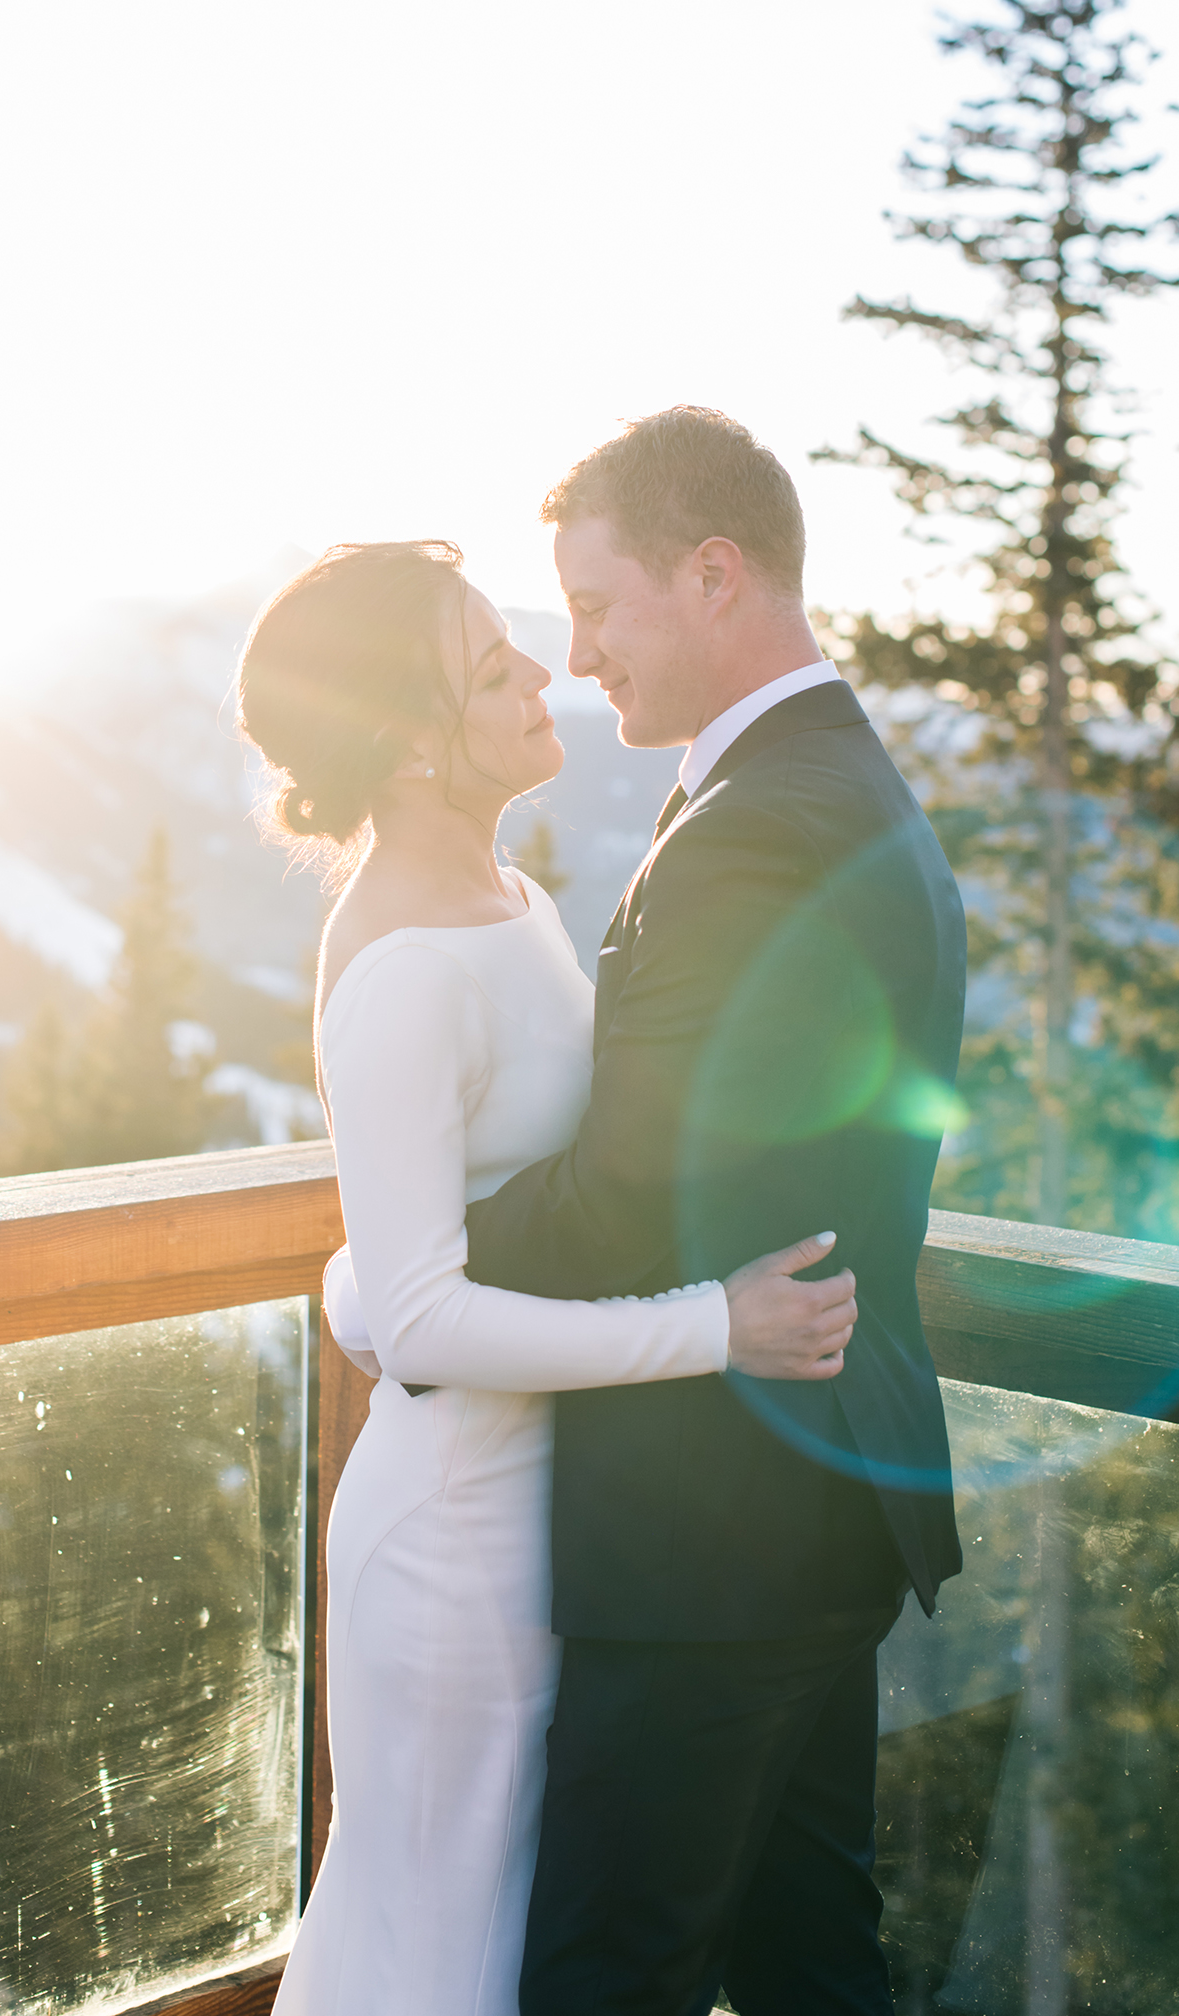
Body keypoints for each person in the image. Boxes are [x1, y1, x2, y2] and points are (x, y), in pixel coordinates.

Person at [236, 536, 859, 2016]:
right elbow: (432, 1320)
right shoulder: (397, 967)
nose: (542, 672)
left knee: (513, 1941)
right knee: (440, 1948)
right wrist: (719, 1326)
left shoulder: (501, 897)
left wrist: (361, 1286)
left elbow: (429, 1250)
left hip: (546, 1509)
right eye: (489, 664)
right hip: (452, 1540)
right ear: (400, 743)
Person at [458, 407, 968, 2014]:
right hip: (808, 1503)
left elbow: (631, 1190)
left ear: (715, 572)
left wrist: (413, 1268)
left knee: (611, 1978)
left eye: (599, 606)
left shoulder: (757, 824)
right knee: (812, 1966)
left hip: (715, 1534)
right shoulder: (828, 781)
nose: (580, 648)